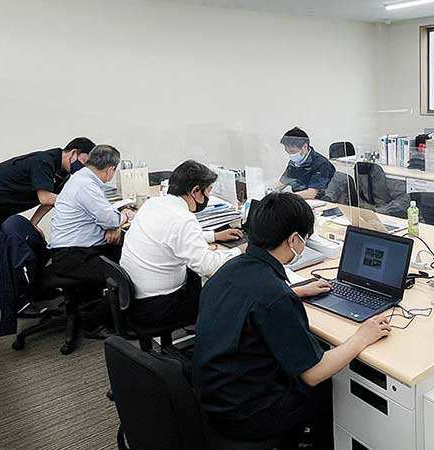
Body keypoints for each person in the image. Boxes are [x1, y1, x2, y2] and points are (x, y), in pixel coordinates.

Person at [193, 192, 390, 447]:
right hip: (246, 414)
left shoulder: (230, 269)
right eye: (306, 239)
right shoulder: (274, 296)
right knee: (327, 384)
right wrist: (361, 337)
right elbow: (313, 373)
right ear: (294, 239)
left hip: (214, 398)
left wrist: (295, 291)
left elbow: (251, 301)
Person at [0, 137, 95, 283]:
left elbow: (49, 201)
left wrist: (32, 224)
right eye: (84, 162)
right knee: (3, 261)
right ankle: (9, 296)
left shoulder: (63, 173)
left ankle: (25, 292)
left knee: (24, 252)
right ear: (74, 153)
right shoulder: (44, 161)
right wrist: (86, 202)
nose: (84, 169)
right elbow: (46, 198)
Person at [119, 160, 244, 328]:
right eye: (208, 191)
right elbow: (208, 266)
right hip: (157, 307)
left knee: (196, 275)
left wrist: (214, 236)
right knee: (226, 294)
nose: (208, 197)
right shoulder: (183, 219)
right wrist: (240, 250)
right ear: (195, 191)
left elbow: (171, 236)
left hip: (133, 297)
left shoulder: (153, 203)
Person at [49, 144, 134, 338]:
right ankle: (94, 323)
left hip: (75, 248)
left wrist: (113, 225)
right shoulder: (86, 185)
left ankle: (117, 311)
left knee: (125, 253)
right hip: (72, 256)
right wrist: (124, 217)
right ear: (111, 169)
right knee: (125, 274)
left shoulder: (82, 178)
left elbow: (105, 217)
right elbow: (110, 219)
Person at [277, 127, 335, 200]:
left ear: (304, 147)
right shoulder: (295, 162)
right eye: (287, 151)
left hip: (319, 201)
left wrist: (286, 197)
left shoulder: (321, 164)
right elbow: (283, 182)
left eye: (292, 151)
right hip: (299, 199)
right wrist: (271, 191)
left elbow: (311, 193)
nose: (290, 155)